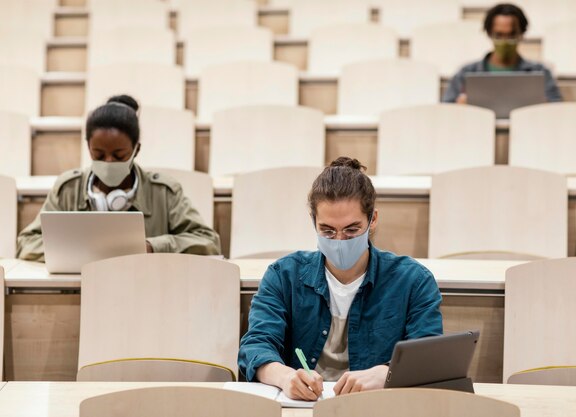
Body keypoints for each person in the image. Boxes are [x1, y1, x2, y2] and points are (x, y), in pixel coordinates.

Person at [238, 157, 442, 400]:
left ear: (373, 220)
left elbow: (428, 356)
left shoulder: (413, 281)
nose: (339, 240)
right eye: (327, 230)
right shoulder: (283, 276)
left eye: (352, 230)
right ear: (313, 221)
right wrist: (284, 376)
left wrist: (385, 373)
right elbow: (255, 346)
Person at [16, 95, 221, 261]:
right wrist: (81, 251)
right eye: (99, 154)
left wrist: (151, 247)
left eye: (119, 155)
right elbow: (27, 242)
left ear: (136, 150)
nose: (108, 161)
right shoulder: (68, 188)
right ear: (88, 147)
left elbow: (208, 242)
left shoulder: (163, 191)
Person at [443, 3, 562, 104]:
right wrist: (459, 107)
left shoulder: (540, 73)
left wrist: (545, 105)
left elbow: (557, 111)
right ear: (489, 33)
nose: (505, 41)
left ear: (522, 33)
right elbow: (446, 111)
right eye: (499, 35)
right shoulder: (466, 73)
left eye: (511, 35)